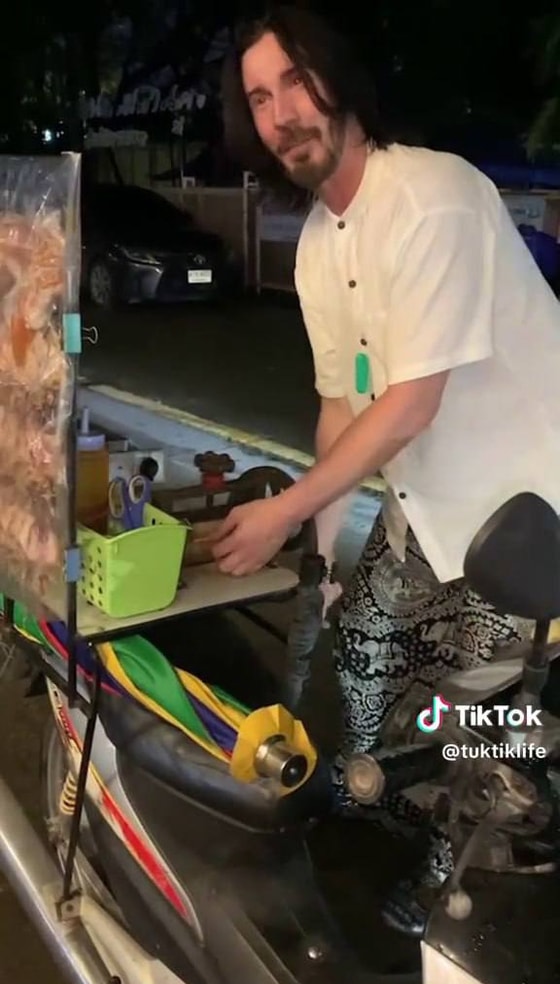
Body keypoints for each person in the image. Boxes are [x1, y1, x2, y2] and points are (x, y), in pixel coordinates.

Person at [214, 4, 560, 933]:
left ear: (338, 80)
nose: (281, 114)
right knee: (358, 665)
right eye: (259, 98)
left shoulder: (432, 197)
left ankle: (467, 868)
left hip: (531, 513)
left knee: (468, 718)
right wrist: (318, 562)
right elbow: (342, 406)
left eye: (294, 82)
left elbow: (409, 404)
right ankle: (391, 808)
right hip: (428, 509)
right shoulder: (319, 245)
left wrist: (284, 508)